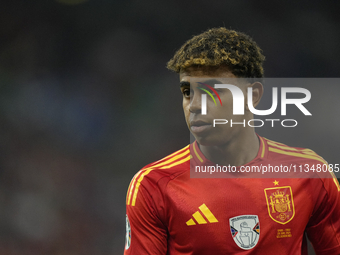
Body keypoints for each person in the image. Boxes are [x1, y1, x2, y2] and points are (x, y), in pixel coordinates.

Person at [124, 27, 340, 255]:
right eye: (187, 91)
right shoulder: (153, 186)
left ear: (253, 96)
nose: (195, 105)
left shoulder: (309, 172)